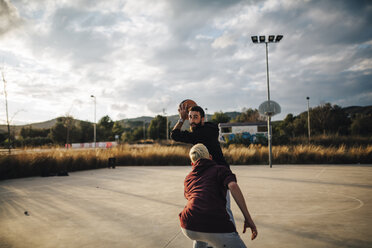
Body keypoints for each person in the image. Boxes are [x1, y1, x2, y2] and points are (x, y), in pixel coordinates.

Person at [171, 105, 234, 248]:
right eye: (190, 117)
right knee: (206, 212)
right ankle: (211, 242)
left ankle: (231, 237)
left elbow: (174, 135)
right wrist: (189, 113)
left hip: (219, 176)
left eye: (195, 117)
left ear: (202, 119)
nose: (192, 120)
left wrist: (181, 119)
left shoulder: (201, 134)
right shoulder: (209, 128)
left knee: (224, 210)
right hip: (207, 177)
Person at [180, 143, 257, 248]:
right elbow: (233, 186)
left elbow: (195, 199)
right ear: (210, 158)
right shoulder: (220, 169)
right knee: (210, 232)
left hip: (188, 225)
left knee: (202, 237)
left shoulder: (188, 178)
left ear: (192, 164)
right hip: (216, 224)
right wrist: (248, 219)